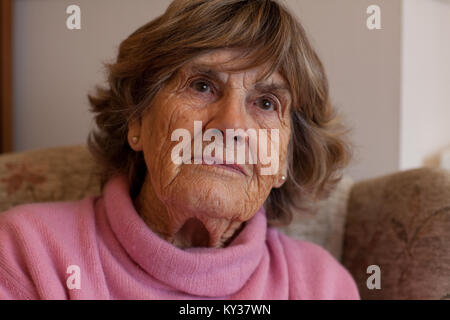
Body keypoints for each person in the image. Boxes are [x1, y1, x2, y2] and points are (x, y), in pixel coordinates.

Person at [0, 0, 359, 299]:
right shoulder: (26, 254)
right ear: (137, 120)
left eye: (266, 104)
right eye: (202, 85)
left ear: (283, 158)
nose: (231, 126)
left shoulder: (320, 287)